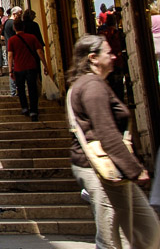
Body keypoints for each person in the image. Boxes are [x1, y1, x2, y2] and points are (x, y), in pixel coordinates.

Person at [68, 35, 159, 249]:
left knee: (146, 229)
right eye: (108, 53)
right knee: (112, 237)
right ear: (93, 58)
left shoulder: (93, 84)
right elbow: (106, 132)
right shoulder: (91, 86)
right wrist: (135, 170)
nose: (114, 56)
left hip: (113, 168)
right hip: (103, 168)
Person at [7, 19, 47, 121]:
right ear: (23, 27)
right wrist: (45, 65)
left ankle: (24, 107)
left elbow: (10, 56)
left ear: (14, 28)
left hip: (18, 68)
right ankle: (33, 110)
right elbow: (40, 52)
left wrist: (10, 70)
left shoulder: (12, 40)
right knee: (32, 89)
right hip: (31, 67)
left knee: (20, 89)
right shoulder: (32, 38)